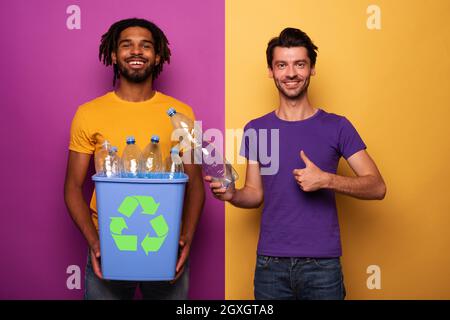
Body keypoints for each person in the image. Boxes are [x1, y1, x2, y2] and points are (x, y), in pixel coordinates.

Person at [205, 27, 386, 300]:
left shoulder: (338, 126)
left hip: (322, 266)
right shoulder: (256, 129)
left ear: (312, 69)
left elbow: (377, 187)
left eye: (300, 64)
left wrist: (326, 179)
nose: (291, 73)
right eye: (282, 65)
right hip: (270, 266)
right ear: (271, 70)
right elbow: (254, 194)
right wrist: (232, 195)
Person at [64, 18, 205, 300]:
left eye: (146, 46)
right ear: (114, 55)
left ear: (158, 55)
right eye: (127, 45)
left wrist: (186, 238)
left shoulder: (181, 113)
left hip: (165, 245)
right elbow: (72, 188)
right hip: (110, 244)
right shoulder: (89, 113)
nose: (137, 52)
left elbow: (196, 186)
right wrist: (95, 243)